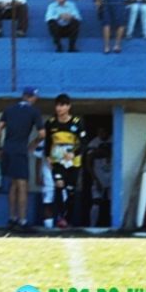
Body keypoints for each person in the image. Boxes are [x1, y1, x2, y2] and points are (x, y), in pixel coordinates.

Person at [0, 87, 45, 230]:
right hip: (20, 149)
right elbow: (42, 134)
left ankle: (12, 218)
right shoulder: (34, 111)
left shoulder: (9, 109)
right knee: (22, 185)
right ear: (33, 97)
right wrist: (32, 144)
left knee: (13, 184)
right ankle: (22, 220)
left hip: (7, 149)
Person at [44, 94, 86, 228]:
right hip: (57, 161)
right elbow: (47, 142)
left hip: (73, 162)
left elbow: (84, 143)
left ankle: (68, 218)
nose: (59, 108)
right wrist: (48, 157)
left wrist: (74, 153)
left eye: (62, 105)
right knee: (59, 185)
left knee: (70, 190)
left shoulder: (77, 122)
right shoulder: (50, 123)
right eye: (57, 105)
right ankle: (60, 217)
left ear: (68, 107)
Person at [85, 128, 112, 227]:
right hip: (98, 176)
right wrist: (95, 179)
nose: (101, 134)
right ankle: (92, 226)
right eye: (99, 132)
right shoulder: (93, 143)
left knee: (112, 202)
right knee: (96, 201)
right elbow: (88, 162)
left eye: (103, 131)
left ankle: (113, 225)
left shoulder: (114, 140)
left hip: (112, 176)